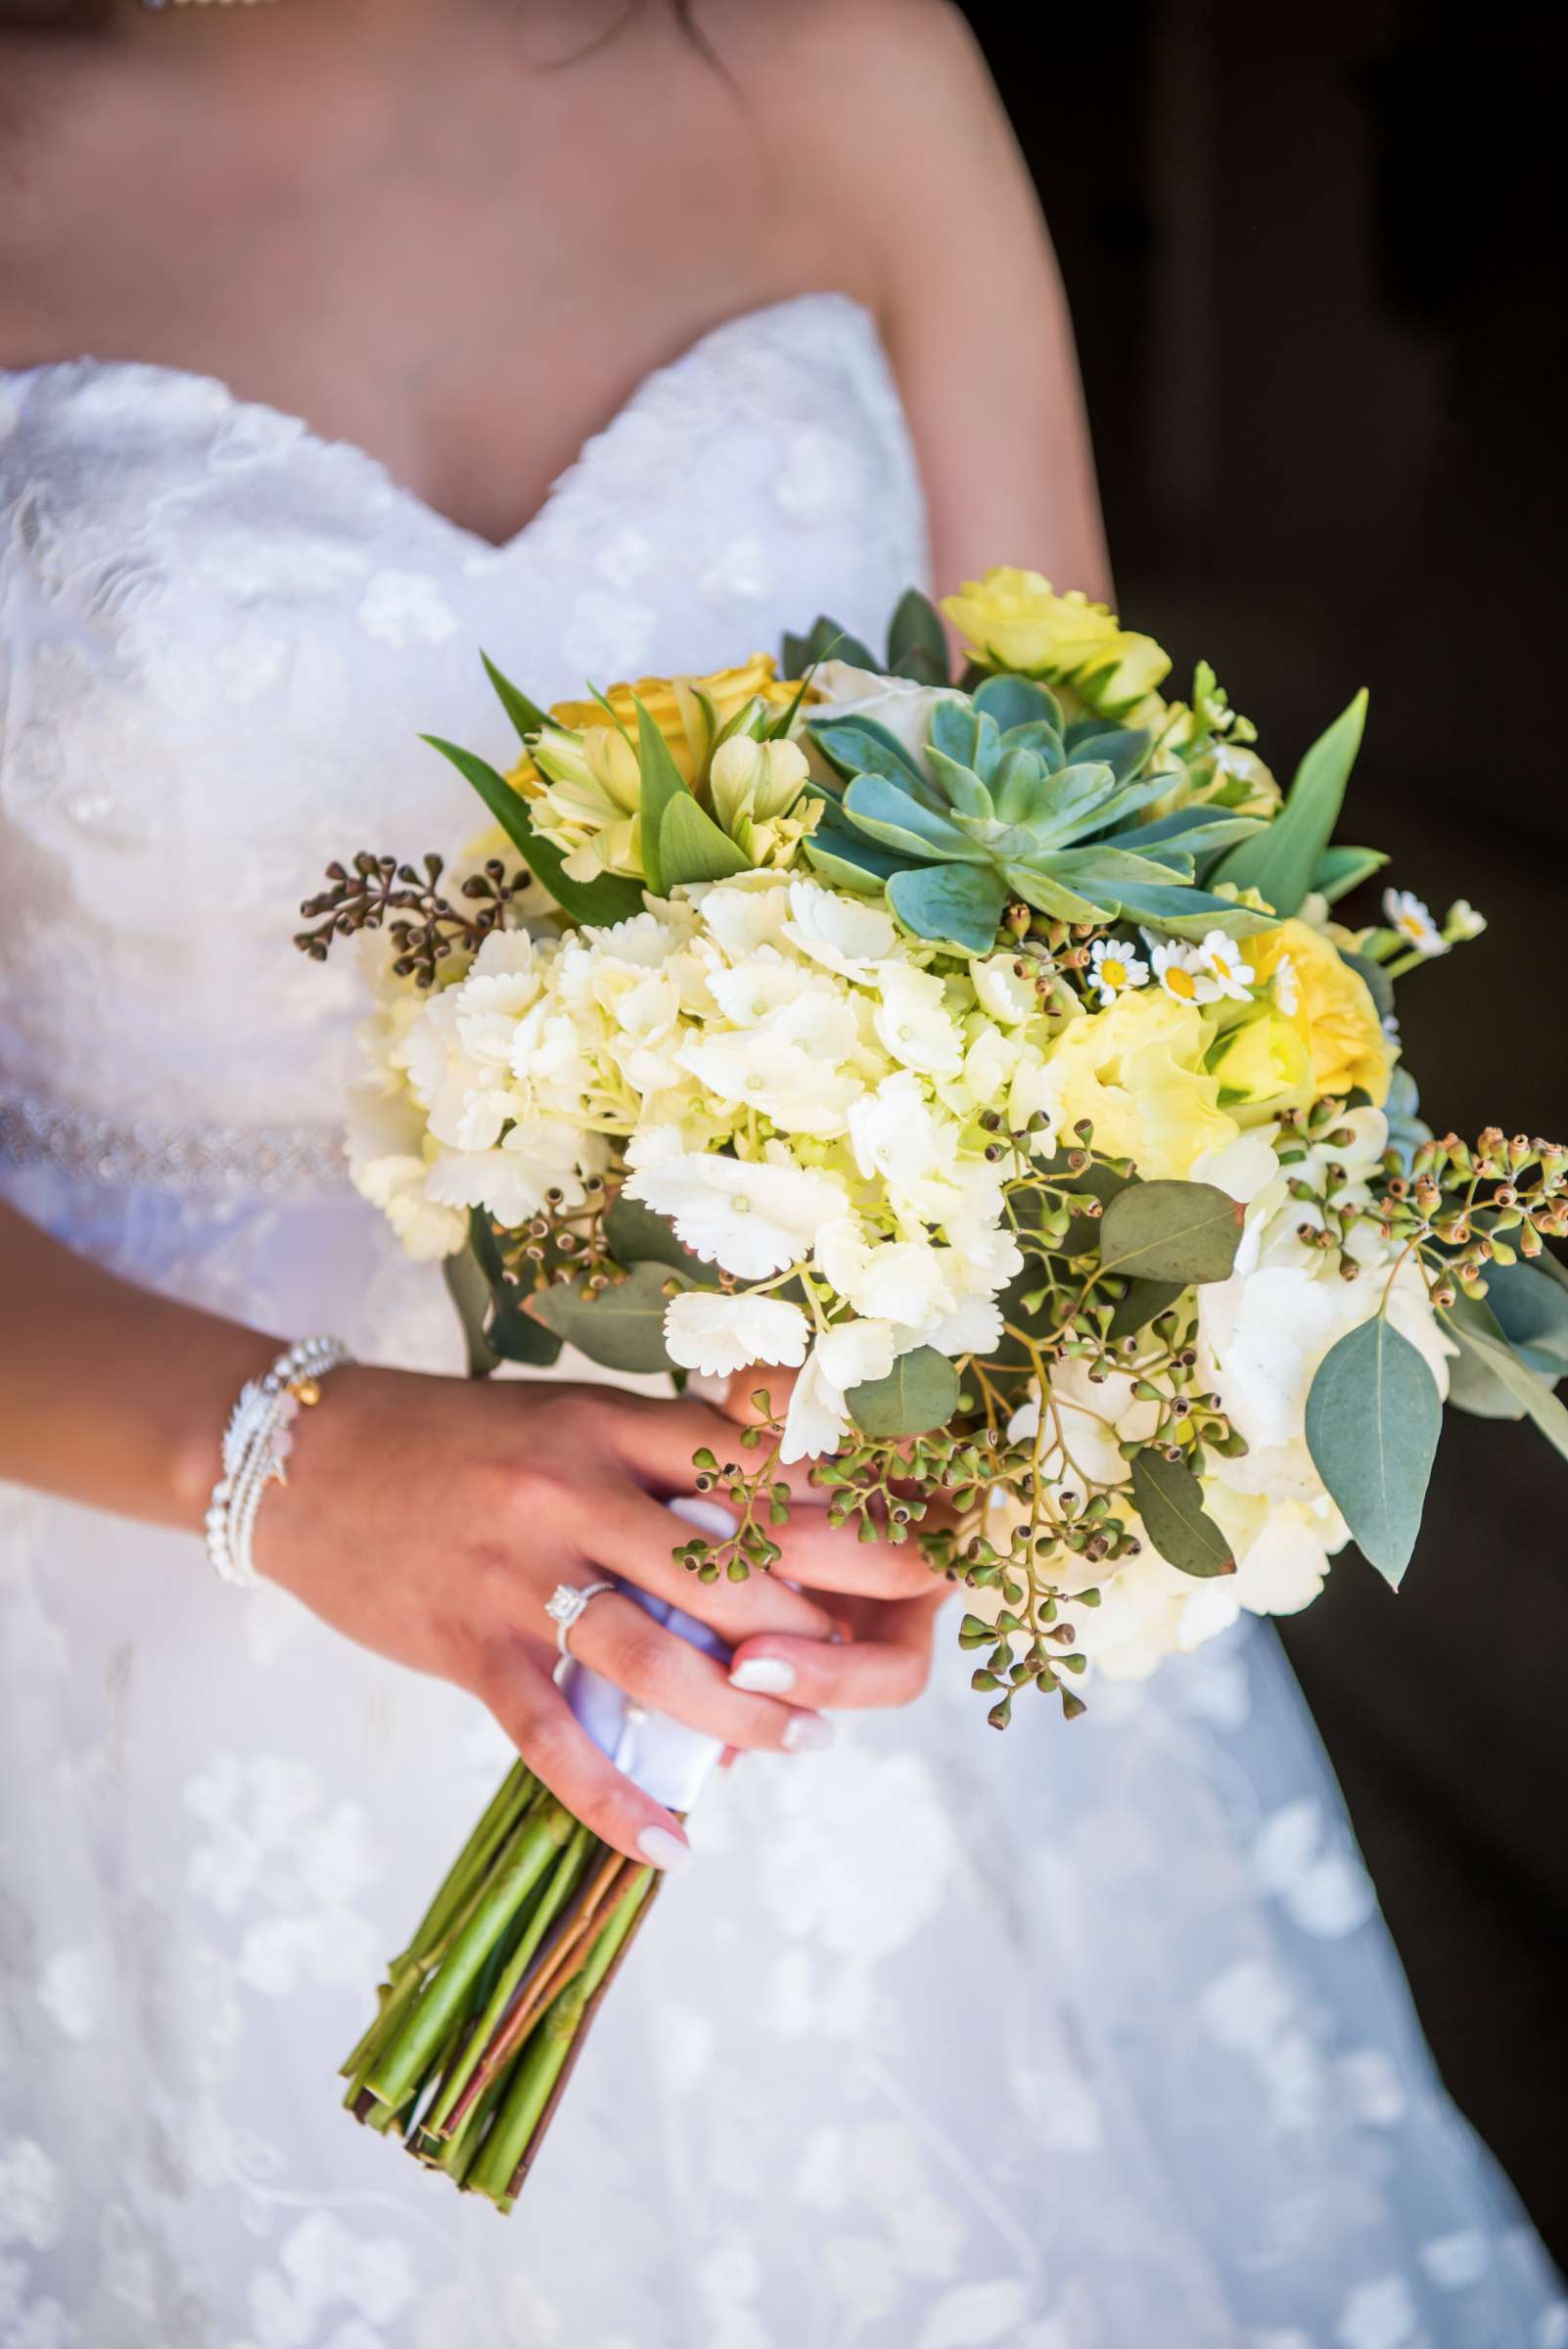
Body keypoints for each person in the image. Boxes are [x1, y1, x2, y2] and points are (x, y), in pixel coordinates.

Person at [0, 3, 1558, 2340]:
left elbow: (1111, 894)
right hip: (136, 1608)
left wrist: (1006, 1442)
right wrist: (286, 1459)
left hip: (790, 1598)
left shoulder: (841, 61)